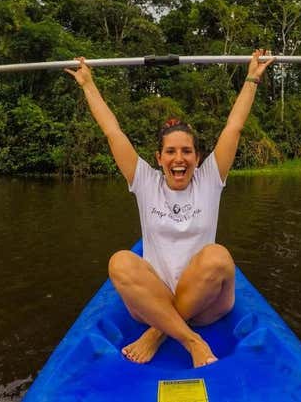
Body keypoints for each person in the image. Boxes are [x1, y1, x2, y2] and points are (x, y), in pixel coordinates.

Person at [65, 49, 274, 368]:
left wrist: (252, 78)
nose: (180, 158)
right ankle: (190, 339)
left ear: (198, 157)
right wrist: (88, 85)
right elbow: (113, 132)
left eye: (187, 151)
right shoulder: (145, 182)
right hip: (155, 299)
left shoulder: (210, 179)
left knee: (218, 256)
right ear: (159, 157)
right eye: (171, 152)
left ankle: (157, 333)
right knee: (120, 262)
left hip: (207, 304)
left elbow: (233, 128)